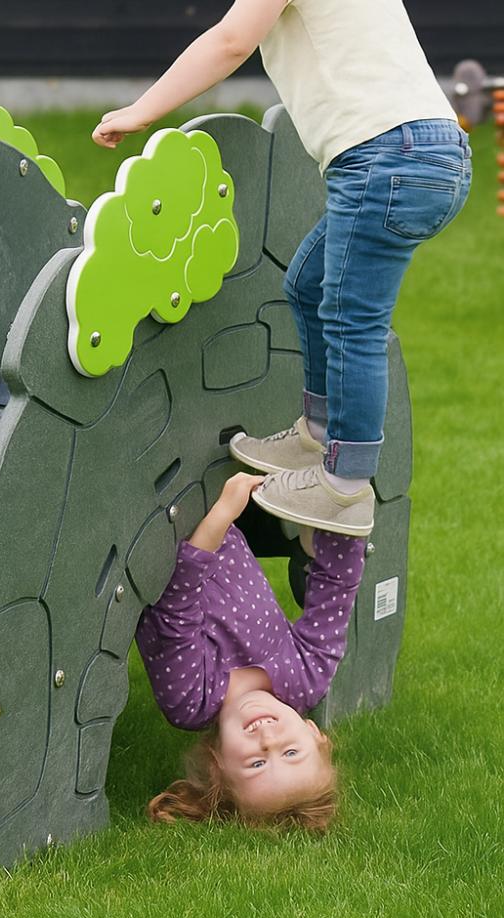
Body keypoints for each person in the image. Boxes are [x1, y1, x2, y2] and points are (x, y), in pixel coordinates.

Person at [93, 0, 471, 538]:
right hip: (430, 151)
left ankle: (345, 485)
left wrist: (143, 110)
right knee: (308, 285)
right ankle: (318, 433)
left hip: (386, 156)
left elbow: (231, 41)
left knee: (352, 321)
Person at [135, 473, 366, 829]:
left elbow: (174, 607)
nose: (268, 739)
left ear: (218, 764)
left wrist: (222, 514)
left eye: (257, 763)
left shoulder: (191, 700)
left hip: (150, 529)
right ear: (313, 733)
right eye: (291, 751)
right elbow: (337, 590)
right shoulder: (307, 676)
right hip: (206, 485)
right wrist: (338, 504)